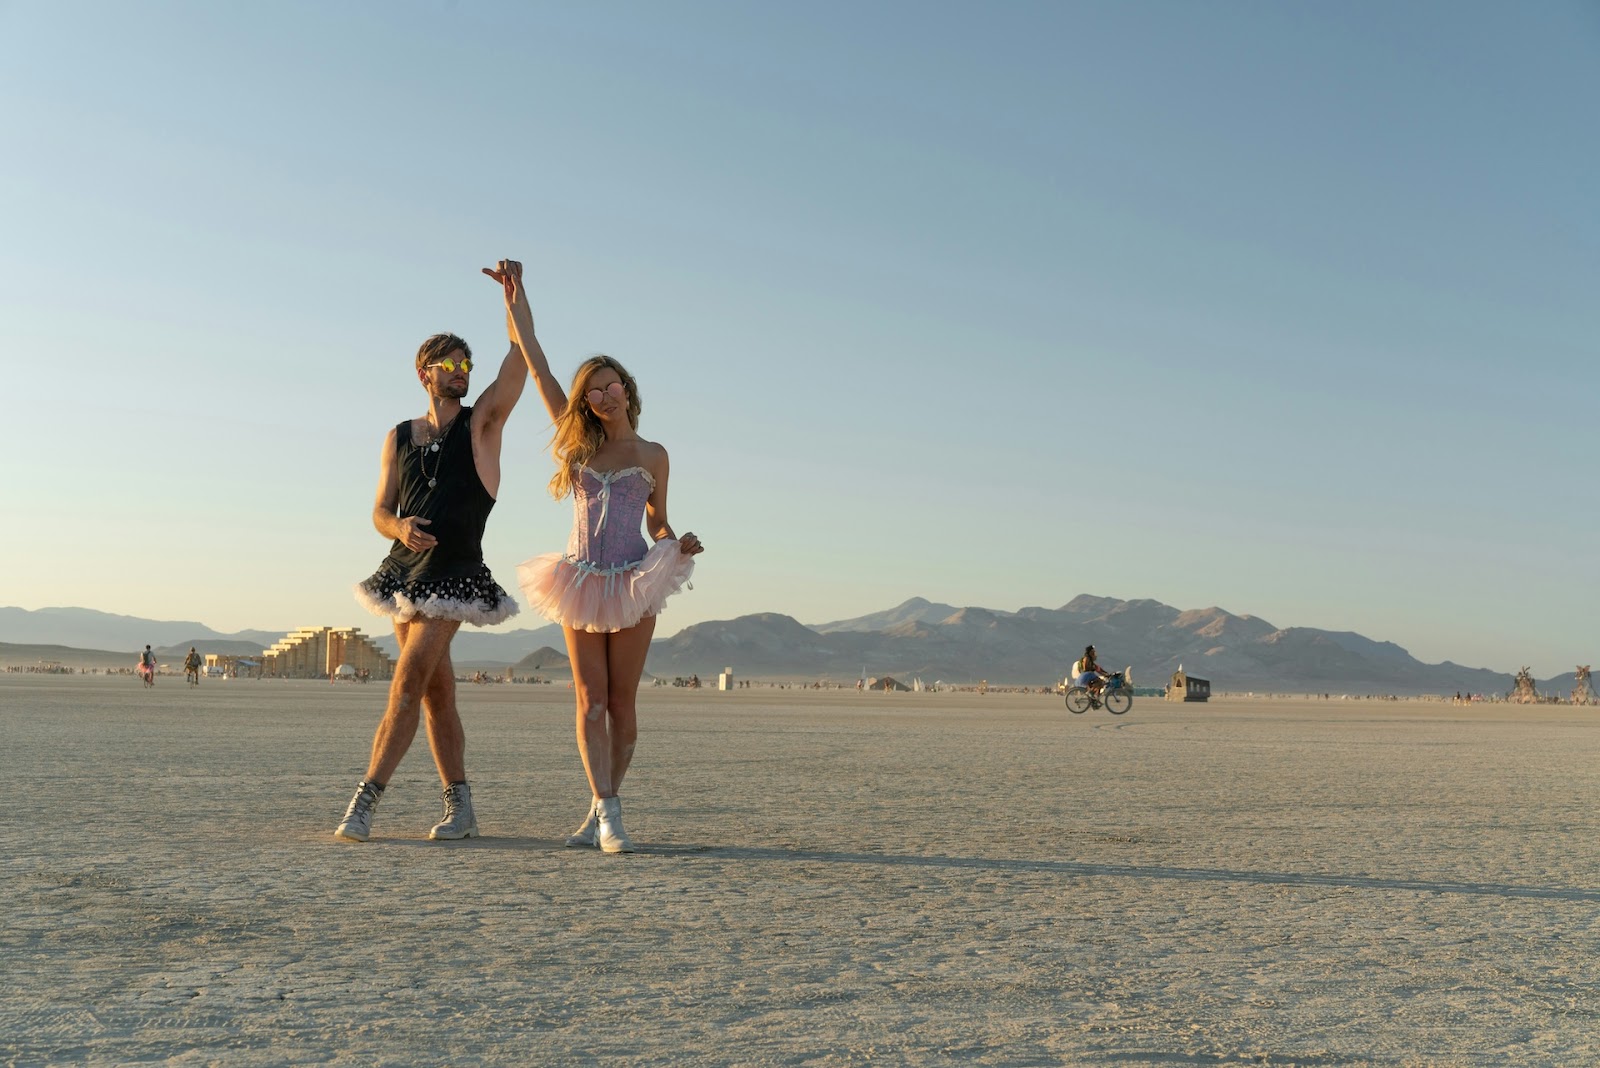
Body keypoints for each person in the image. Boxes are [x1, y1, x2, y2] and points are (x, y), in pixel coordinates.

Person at [335, 259, 532, 844]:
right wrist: (397, 530)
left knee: (409, 679)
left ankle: (365, 800)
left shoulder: (482, 425)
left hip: (456, 571)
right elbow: (378, 510)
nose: (463, 371)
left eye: (467, 364)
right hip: (405, 572)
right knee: (436, 693)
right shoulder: (399, 435)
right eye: (451, 364)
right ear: (425, 373)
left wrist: (516, 302)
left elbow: (518, 365)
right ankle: (462, 809)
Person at [509, 297, 703, 854]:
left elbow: (658, 521)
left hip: (634, 579)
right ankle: (608, 813)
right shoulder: (576, 445)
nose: (603, 396)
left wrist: (676, 544)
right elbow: (539, 366)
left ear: (627, 389)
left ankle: (602, 807)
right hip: (579, 579)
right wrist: (515, 302)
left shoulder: (654, 454)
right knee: (590, 702)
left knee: (622, 705)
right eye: (592, 391)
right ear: (585, 402)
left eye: (611, 385)